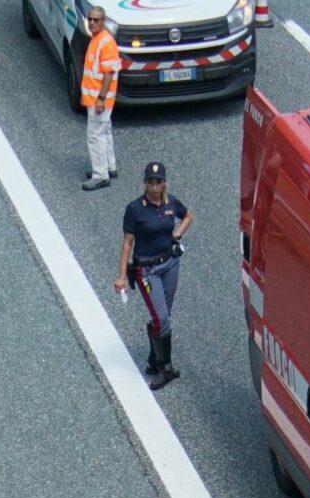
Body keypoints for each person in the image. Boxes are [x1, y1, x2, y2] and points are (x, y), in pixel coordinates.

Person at [113, 161, 190, 389]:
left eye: (158, 182)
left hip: (169, 265)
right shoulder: (135, 209)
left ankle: (152, 360)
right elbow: (128, 244)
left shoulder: (171, 202)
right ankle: (165, 368)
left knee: (162, 315)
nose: (154, 187)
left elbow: (187, 216)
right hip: (146, 270)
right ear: (145, 183)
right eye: (150, 182)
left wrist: (177, 233)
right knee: (162, 319)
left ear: (164, 182)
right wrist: (121, 275)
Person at [79, 6, 122, 191]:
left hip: (100, 100)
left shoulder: (105, 42)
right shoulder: (97, 39)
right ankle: (109, 167)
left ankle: (100, 175)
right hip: (96, 98)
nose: (92, 23)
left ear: (104, 21)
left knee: (95, 135)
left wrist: (101, 98)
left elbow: (108, 73)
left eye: (96, 20)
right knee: (104, 131)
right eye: (90, 19)